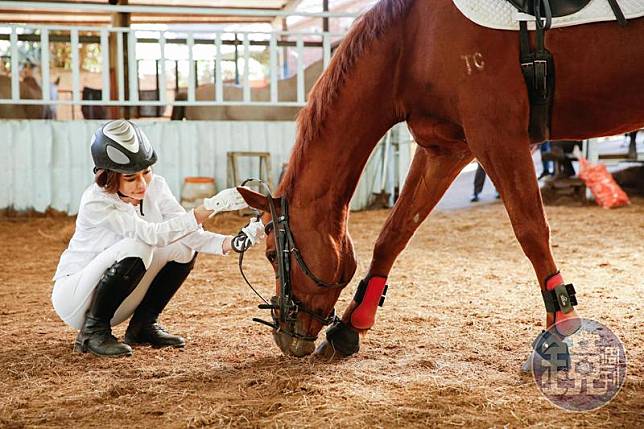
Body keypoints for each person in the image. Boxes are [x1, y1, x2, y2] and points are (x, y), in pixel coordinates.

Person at [51, 119, 265, 358]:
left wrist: (231, 243)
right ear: (109, 177)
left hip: (118, 300)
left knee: (183, 248)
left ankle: (143, 325)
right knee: (140, 245)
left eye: (146, 172)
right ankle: (92, 332)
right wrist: (210, 207)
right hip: (74, 299)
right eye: (130, 178)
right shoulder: (97, 201)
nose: (142, 185)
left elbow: (188, 234)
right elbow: (151, 235)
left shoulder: (157, 187)